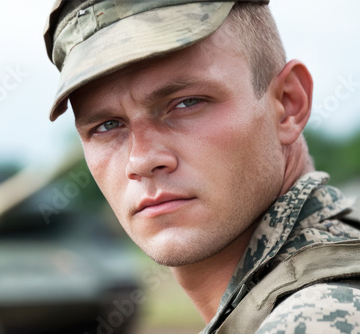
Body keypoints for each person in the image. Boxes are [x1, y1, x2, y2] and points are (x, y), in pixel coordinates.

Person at [43, 1, 360, 333]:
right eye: (107, 126)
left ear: (287, 105)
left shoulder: (316, 317)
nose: (142, 161)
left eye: (186, 103)